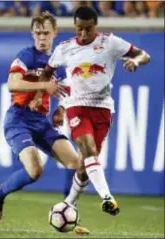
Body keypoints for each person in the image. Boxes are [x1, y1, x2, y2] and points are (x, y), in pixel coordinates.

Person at [33, 6, 151, 218]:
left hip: (104, 108)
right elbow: (47, 73)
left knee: (84, 165)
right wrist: (40, 96)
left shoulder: (110, 42)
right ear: (74, 26)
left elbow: (144, 55)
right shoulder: (64, 48)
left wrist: (135, 61)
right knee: (88, 149)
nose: (84, 34)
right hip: (77, 106)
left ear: (95, 26)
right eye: (79, 29)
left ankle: (69, 203)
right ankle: (107, 197)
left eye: (88, 29)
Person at [0, 11, 89, 235]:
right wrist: (43, 87)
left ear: (55, 33)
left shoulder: (59, 64)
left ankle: (69, 210)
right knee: (35, 170)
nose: (42, 37)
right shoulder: (26, 56)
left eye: (46, 33)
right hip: (18, 120)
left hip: (41, 122)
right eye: (37, 33)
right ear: (32, 34)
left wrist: (60, 110)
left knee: (78, 165)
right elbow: (12, 85)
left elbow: (66, 92)